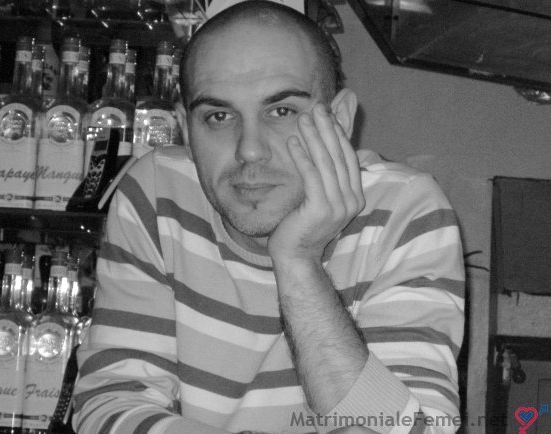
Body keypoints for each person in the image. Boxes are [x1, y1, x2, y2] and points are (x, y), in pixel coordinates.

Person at [72, 1, 465, 433]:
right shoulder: (157, 192)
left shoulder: (405, 210)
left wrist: (298, 261)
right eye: (219, 116)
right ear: (186, 129)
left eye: (281, 111)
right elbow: (110, 403)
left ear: (340, 120)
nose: (250, 150)